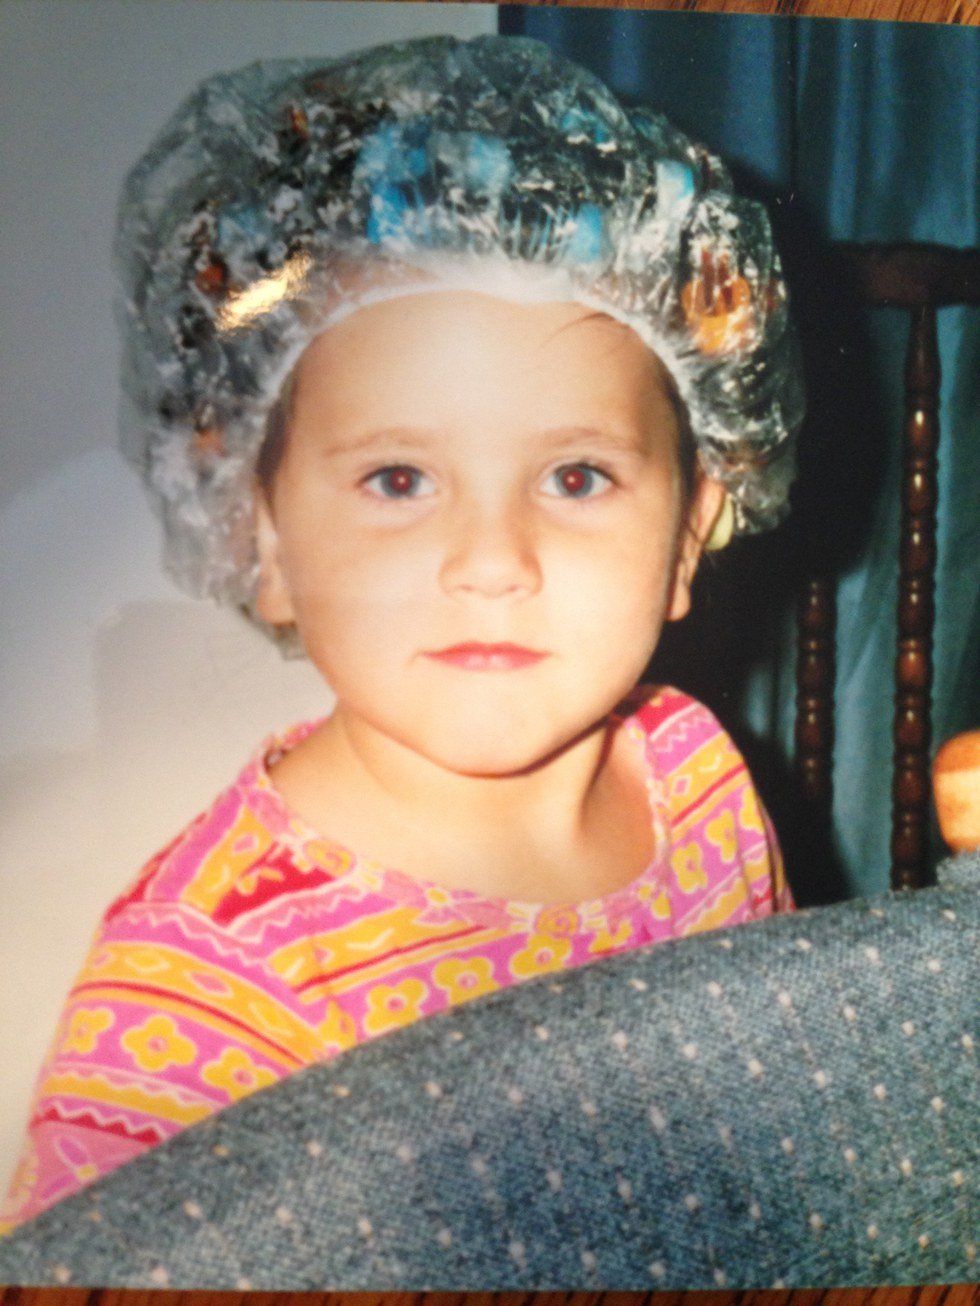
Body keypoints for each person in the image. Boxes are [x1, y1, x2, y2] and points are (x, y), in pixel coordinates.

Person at [1, 33, 803, 1233]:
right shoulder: (204, 983)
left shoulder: (696, 781)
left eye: (576, 476)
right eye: (397, 479)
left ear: (688, 534)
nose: (491, 561)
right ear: (262, 539)